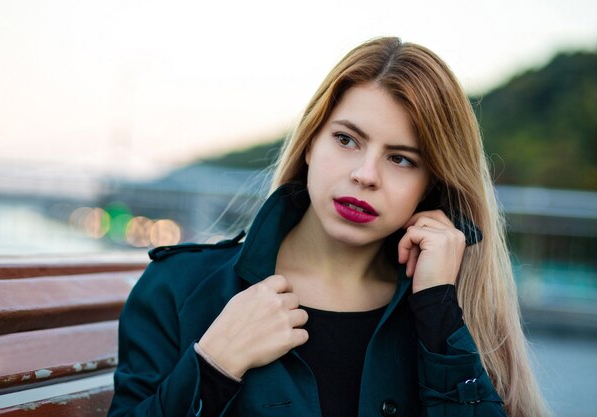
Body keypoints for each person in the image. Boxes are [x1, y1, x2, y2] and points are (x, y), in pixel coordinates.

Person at [107, 37, 549, 417]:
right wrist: (214, 365)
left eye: (400, 158)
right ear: (310, 144)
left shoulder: (449, 312)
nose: (365, 174)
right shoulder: (177, 289)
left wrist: (438, 314)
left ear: (430, 184)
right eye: (346, 139)